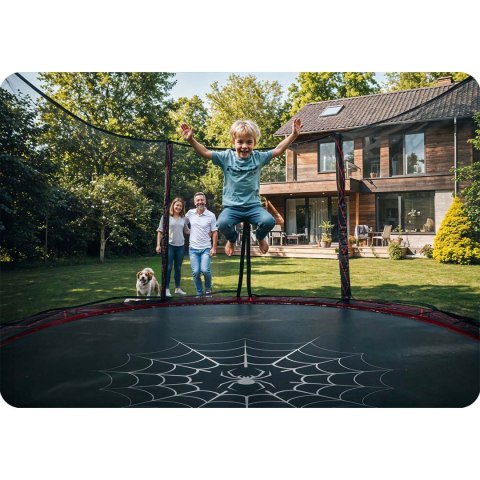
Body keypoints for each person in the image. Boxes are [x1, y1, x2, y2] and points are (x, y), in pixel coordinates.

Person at [181, 118, 302, 256]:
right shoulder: (226, 157)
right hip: (232, 207)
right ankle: (232, 239)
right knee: (222, 223)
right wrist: (191, 140)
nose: (244, 146)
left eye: (249, 142)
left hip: (253, 206)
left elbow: (278, 150)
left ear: (254, 143)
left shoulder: (258, 157)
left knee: (269, 221)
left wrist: (293, 135)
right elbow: (205, 152)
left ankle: (260, 237)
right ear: (233, 142)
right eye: (240, 142)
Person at [185, 192, 218, 297]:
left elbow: (215, 232)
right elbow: (182, 223)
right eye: (198, 200)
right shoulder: (190, 213)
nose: (200, 202)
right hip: (193, 249)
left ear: (205, 201)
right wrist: (188, 231)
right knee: (195, 272)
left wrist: (214, 248)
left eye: (202, 200)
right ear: (195, 202)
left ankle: (208, 289)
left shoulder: (211, 215)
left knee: (205, 270)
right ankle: (199, 292)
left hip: (206, 248)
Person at [156, 197, 190, 297]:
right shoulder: (166, 217)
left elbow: (186, 230)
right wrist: (158, 245)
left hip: (180, 246)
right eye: (177, 205)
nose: (178, 207)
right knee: (168, 267)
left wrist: (199, 231)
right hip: (169, 245)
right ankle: (166, 289)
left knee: (178, 268)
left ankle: (177, 288)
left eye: (180, 206)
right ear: (173, 205)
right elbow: (160, 231)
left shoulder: (184, 218)